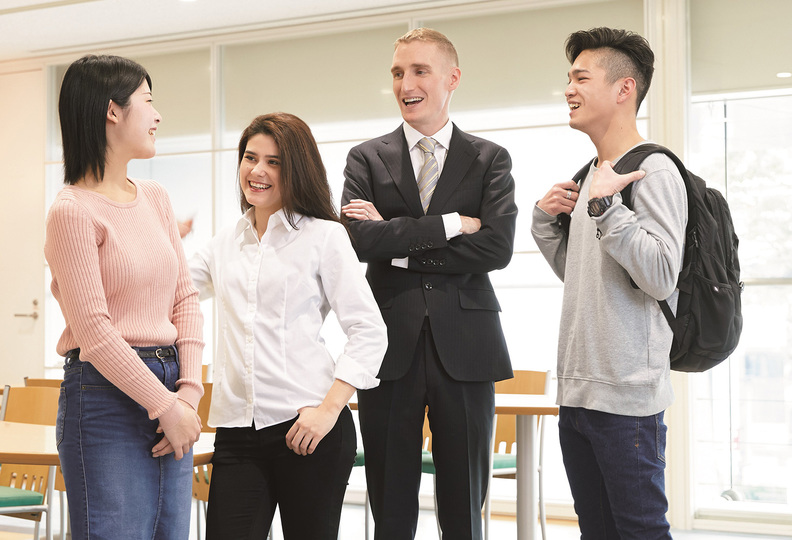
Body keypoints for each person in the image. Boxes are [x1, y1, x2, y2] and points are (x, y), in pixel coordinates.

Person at [340, 28, 517, 539]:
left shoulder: (490, 159)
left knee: (464, 505)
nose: (405, 83)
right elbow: (356, 241)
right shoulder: (366, 158)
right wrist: (451, 225)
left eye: (419, 71)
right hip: (387, 342)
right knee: (389, 503)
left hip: (467, 344)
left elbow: (496, 249)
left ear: (452, 78)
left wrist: (393, 246)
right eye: (398, 73)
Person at [189, 112, 387, 539]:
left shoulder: (324, 237)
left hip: (309, 428)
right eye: (250, 157)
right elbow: (169, 290)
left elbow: (369, 329)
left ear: (296, 169)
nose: (257, 171)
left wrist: (329, 410)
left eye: (274, 162)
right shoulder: (224, 243)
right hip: (238, 434)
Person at [531, 27, 687, 539]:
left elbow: (662, 276)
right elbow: (586, 279)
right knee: (596, 531)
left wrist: (606, 208)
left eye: (581, 78)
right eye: (567, 79)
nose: (569, 90)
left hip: (626, 401)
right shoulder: (591, 174)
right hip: (578, 395)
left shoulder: (653, 171)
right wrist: (544, 223)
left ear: (624, 90)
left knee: (640, 531)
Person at [45, 55, 204, 540]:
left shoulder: (155, 196)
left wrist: (188, 394)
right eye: (148, 101)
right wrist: (166, 406)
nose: (157, 116)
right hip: (104, 398)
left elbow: (185, 298)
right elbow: (94, 332)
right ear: (112, 111)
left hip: (171, 387)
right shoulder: (71, 212)